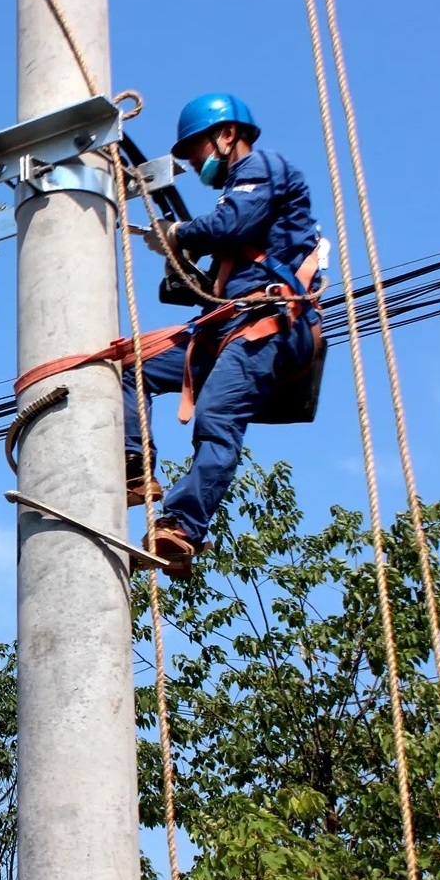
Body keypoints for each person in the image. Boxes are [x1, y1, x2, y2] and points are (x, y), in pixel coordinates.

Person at [124, 93, 324, 577]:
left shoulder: (263, 167)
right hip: (226, 325)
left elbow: (233, 221)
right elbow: (209, 280)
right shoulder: (236, 195)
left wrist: (180, 234)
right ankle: (135, 465)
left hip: (267, 324)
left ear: (227, 135)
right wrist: (182, 258)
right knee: (131, 365)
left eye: (195, 149)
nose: (194, 163)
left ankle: (183, 526)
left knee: (216, 415)